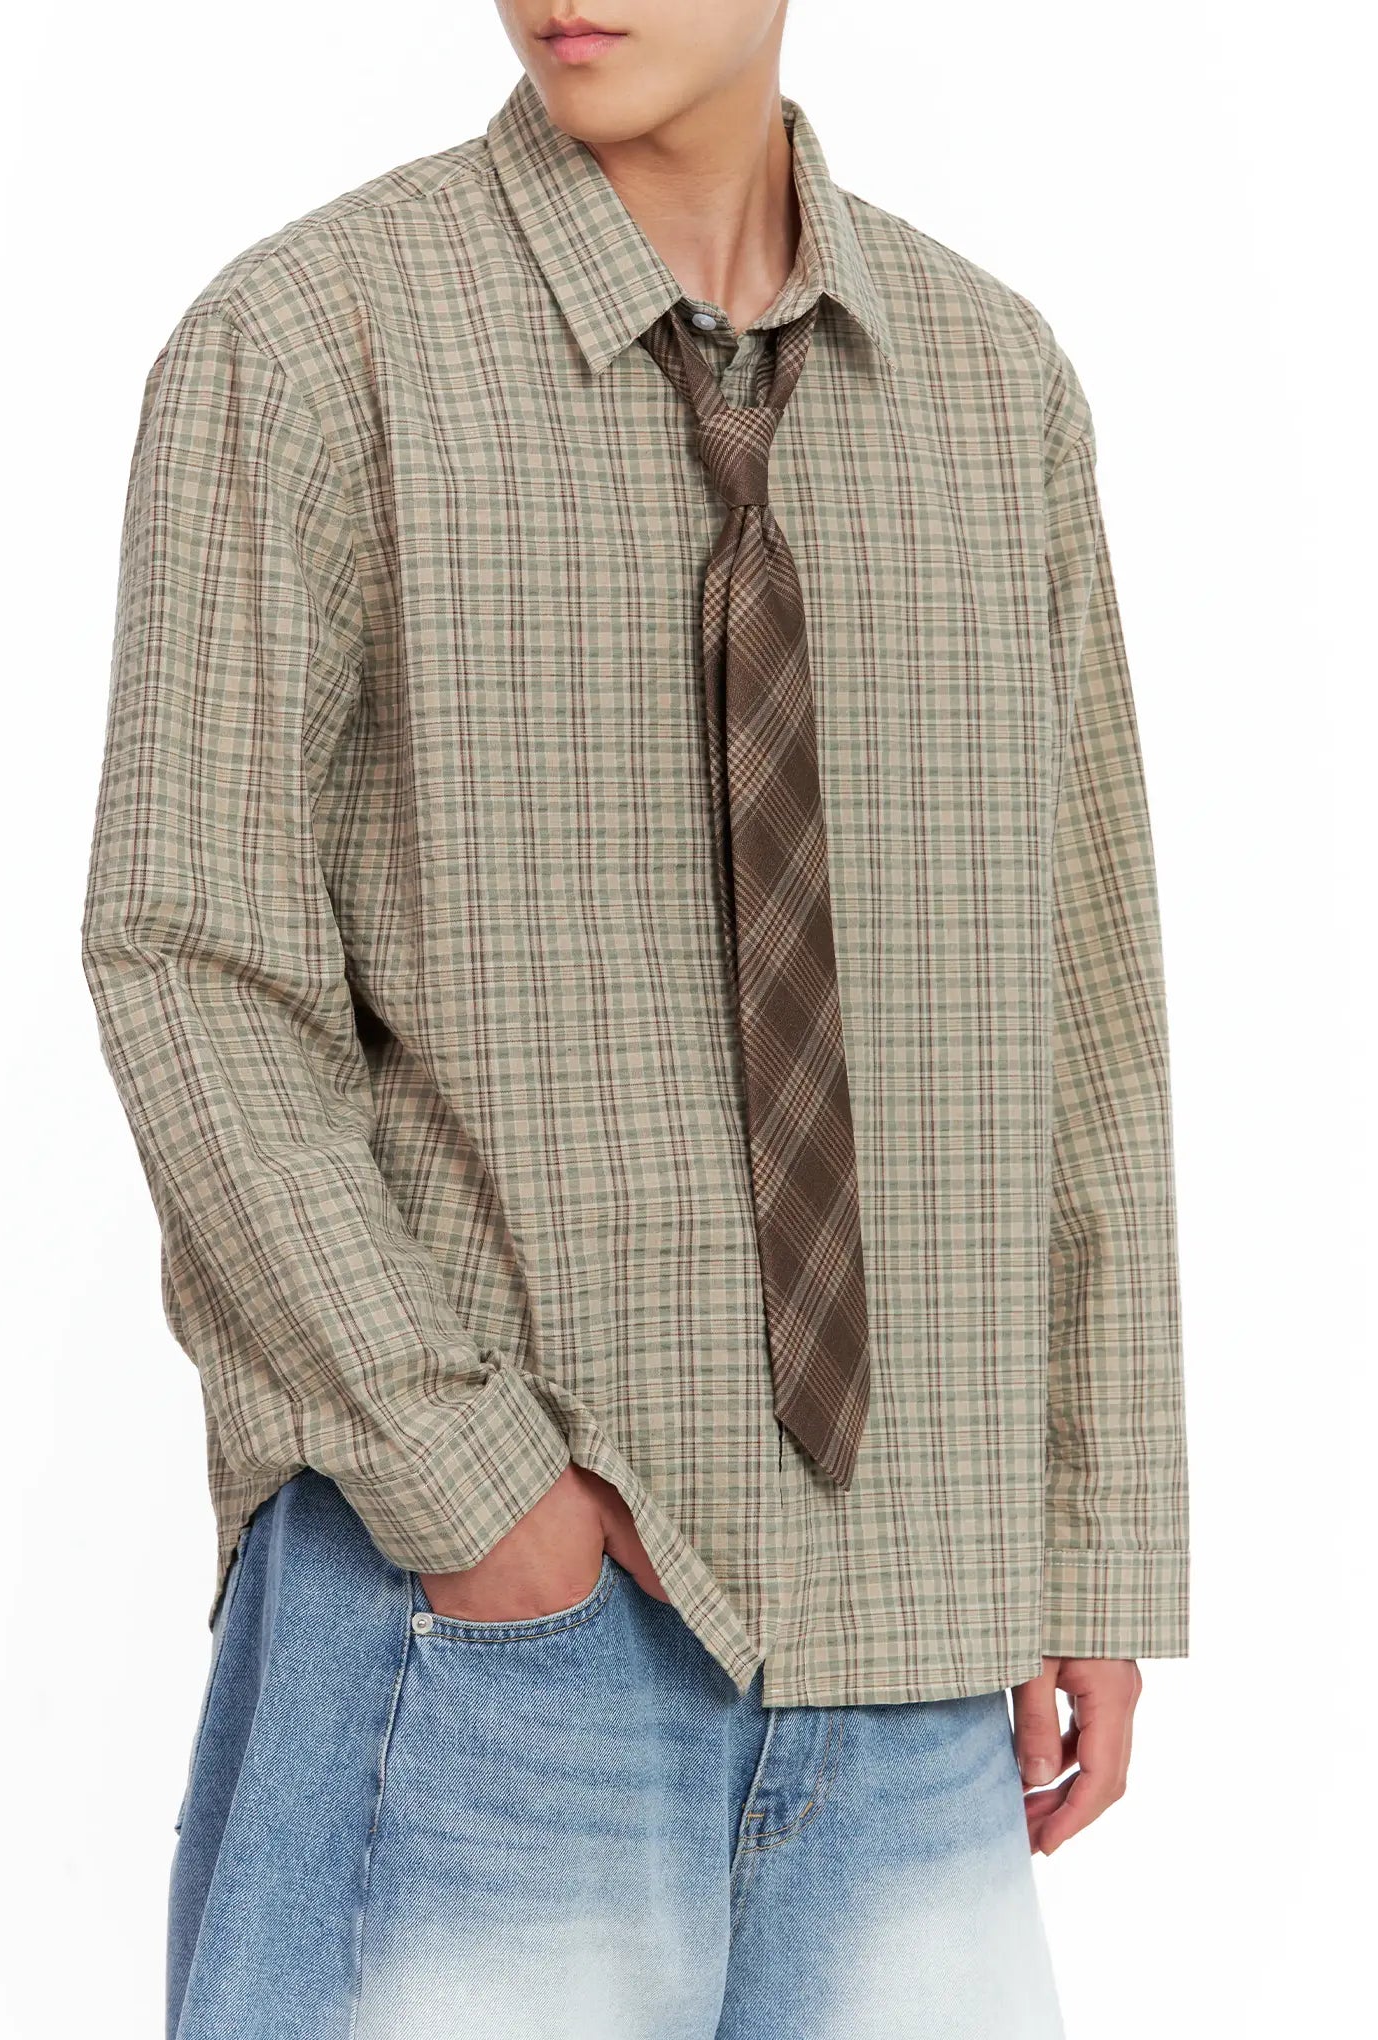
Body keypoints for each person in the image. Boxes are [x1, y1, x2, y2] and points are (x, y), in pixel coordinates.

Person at [80, 3, 1190, 2034]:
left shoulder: (993, 387)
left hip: (919, 1647)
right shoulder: (312, 346)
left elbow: (1084, 1000)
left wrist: (1086, 1535)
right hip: (491, 1643)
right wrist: (480, 1500)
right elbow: (191, 953)